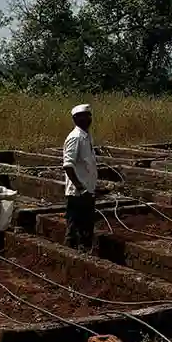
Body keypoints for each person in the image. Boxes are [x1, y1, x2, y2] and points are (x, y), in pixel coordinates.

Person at [62, 103, 98, 250]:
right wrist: (80, 187)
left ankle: (83, 253)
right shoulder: (75, 138)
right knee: (75, 227)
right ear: (76, 119)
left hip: (87, 190)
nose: (87, 119)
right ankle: (71, 255)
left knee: (86, 226)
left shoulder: (86, 136)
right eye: (83, 116)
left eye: (89, 116)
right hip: (79, 193)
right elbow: (68, 165)